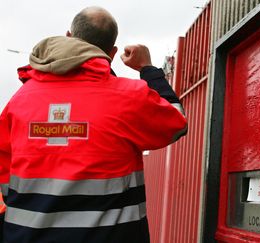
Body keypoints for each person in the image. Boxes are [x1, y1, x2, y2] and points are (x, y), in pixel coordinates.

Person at [0, 6, 187, 243]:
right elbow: (176, 121)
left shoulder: (19, 100)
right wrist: (147, 68)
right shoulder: (129, 98)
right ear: (112, 51)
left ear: (69, 36)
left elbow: (5, 175)